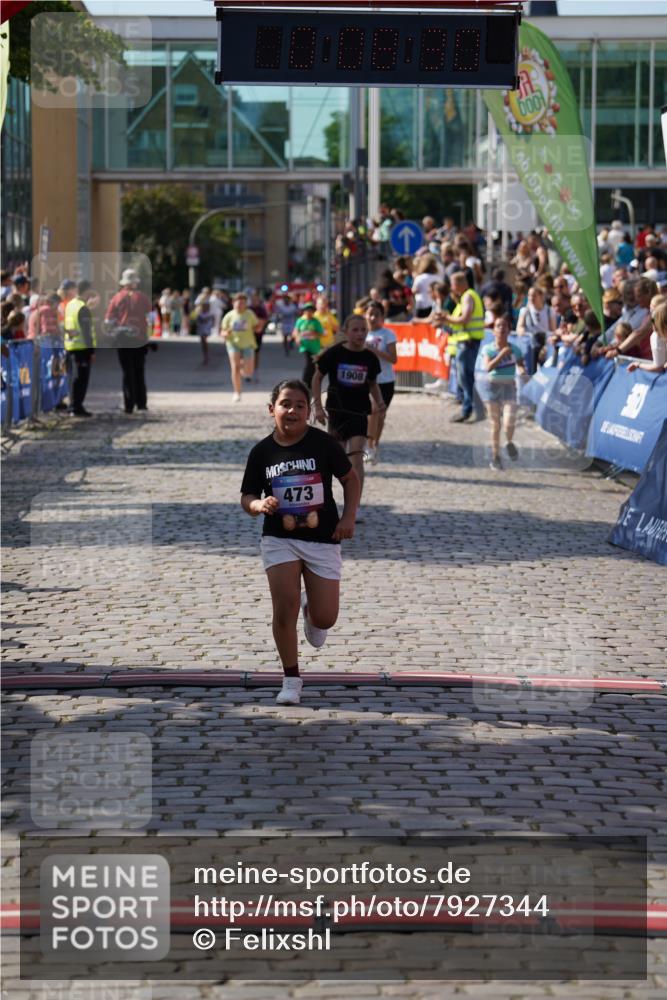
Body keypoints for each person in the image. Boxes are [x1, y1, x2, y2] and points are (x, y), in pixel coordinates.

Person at [240, 379, 360, 706]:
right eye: (285, 404)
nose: (292, 410)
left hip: (323, 538)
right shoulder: (262, 451)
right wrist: (257, 505)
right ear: (271, 409)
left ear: (308, 412)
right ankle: (291, 678)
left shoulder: (324, 444)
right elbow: (247, 495)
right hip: (280, 539)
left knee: (325, 619)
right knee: (283, 607)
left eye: (300, 405)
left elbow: (350, 479)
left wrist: (349, 517)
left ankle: (313, 609)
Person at [311, 314, 385, 510]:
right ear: (346, 332)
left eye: (363, 330)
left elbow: (372, 384)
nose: (360, 333)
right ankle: (325, 501)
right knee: (335, 459)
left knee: (356, 458)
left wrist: (379, 402)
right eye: (355, 330)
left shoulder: (370, 357)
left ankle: (353, 506)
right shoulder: (334, 354)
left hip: (360, 411)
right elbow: (317, 378)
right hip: (337, 410)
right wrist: (317, 406)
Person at [105, 268, 153, 414]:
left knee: (127, 372)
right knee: (139, 371)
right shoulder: (143, 298)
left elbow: (109, 320)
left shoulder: (117, 298)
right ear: (135, 283)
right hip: (140, 339)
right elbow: (151, 318)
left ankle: (129, 405)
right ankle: (142, 403)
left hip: (123, 339)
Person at [481, 315, 525, 471]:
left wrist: (522, 372)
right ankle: (495, 457)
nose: (501, 329)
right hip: (492, 388)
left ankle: (509, 441)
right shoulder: (489, 349)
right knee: (495, 424)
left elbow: (521, 365)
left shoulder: (516, 350)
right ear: (493, 331)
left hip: (509, 388)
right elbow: (487, 368)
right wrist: (501, 354)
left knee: (508, 422)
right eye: (498, 326)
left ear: (509, 330)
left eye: (504, 326)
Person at [441, 271, 485, 422]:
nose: (451, 288)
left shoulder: (467, 296)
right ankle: (477, 409)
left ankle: (468, 410)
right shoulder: (466, 297)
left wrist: (446, 318)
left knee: (465, 378)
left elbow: (465, 318)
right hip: (466, 341)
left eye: (452, 284)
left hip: (468, 342)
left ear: (459, 283)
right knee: (465, 378)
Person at [364, 302, 397, 465]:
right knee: (373, 411)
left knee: (380, 415)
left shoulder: (388, 334)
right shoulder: (361, 334)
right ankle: (368, 446)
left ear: (382, 317)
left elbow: (393, 358)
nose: (372, 318)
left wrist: (373, 350)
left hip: (386, 380)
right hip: (368, 380)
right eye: (370, 314)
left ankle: (375, 443)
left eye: (376, 314)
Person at [63, 279, 96, 417]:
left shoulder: (70, 305)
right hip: (81, 349)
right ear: (86, 291)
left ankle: (74, 405)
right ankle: (76, 406)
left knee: (74, 378)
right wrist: (91, 351)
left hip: (70, 346)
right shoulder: (83, 307)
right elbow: (87, 331)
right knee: (81, 379)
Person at [221, 291, 258, 402]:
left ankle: (243, 368)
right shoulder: (229, 315)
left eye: (243, 303)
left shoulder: (249, 314)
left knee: (249, 372)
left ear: (246, 304)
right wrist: (225, 334)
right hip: (233, 343)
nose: (240, 305)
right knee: (235, 368)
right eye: (238, 302)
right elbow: (222, 331)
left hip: (248, 343)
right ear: (233, 303)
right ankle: (237, 392)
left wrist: (258, 327)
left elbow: (256, 326)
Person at [628, 299, 667, 373]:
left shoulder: (656, 336)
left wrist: (638, 365)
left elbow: (658, 367)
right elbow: (659, 366)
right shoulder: (656, 337)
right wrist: (638, 365)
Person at [294, 302, 324, 389]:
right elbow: (296, 331)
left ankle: (311, 384)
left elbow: (321, 333)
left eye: (311, 310)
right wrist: (297, 338)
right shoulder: (300, 321)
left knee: (313, 366)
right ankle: (304, 383)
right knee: (308, 364)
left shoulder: (316, 322)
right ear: (304, 311)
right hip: (305, 346)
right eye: (307, 310)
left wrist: (314, 335)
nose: (309, 312)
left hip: (314, 347)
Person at [248, 290, 268, 381]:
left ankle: (255, 371)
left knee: (256, 353)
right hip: (247, 335)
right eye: (252, 299)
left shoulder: (261, 309)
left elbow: (263, 321)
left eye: (255, 299)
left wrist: (256, 326)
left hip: (257, 335)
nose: (254, 301)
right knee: (247, 354)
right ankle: (248, 371)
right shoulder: (248, 309)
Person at [194, 297, 215, 366]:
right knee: (203, 343)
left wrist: (212, 325)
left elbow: (213, 320)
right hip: (201, 328)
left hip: (206, 329)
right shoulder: (199, 313)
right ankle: (206, 355)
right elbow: (197, 321)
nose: (205, 307)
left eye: (206, 306)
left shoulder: (210, 313)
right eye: (204, 306)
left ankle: (206, 356)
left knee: (204, 341)